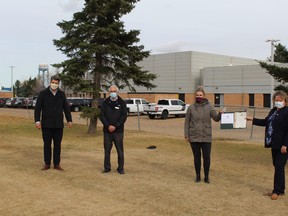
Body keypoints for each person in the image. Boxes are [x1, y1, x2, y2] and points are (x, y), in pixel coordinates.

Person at [246, 90, 288, 200]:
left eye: (280, 100)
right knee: (278, 166)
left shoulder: (287, 112)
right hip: (274, 144)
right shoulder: (273, 111)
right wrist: (252, 119)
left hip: (283, 145)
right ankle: (281, 188)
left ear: (285, 101)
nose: (278, 102)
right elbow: (266, 122)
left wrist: (285, 144)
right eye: (276, 100)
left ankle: (277, 191)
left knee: (279, 166)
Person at [184, 87, 222, 183]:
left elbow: (216, 118)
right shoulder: (191, 108)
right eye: (197, 95)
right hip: (194, 136)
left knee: (207, 157)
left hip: (206, 136)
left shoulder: (209, 107)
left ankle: (206, 176)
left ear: (204, 96)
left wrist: (220, 114)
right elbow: (186, 122)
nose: (199, 97)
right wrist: (186, 135)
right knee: (197, 157)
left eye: (200, 95)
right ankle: (197, 176)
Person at [34, 75, 73, 171]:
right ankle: (47, 163)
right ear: (50, 82)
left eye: (56, 83)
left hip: (58, 125)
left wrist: (69, 120)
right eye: (53, 82)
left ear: (58, 84)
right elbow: (37, 108)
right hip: (46, 124)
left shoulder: (61, 94)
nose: (54, 84)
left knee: (57, 145)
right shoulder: (43, 94)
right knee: (47, 144)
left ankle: (57, 164)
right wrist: (37, 121)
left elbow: (66, 108)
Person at [100, 85, 127, 174]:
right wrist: (108, 126)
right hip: (107, 131)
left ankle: (120, 168)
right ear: (109, 92)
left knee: (120, 150)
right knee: (107, 150)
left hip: (118, 131)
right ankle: (107, 168)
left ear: (117, 92)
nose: (113, 93)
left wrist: (115, 126)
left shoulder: (122, 103)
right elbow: (102, 115)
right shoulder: (105, 103)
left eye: (114, 91)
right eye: (111, 91)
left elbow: (123, 116)